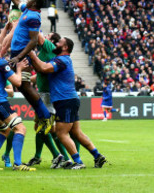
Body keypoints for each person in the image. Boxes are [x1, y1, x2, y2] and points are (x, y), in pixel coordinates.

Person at [28, 38, 108, 169]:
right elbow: (41, 69)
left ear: (65, 47)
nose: (56, 44)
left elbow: (43, 67)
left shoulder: (62, 60)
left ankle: (78, 162)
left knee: (61, 133)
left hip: (64, 101)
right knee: (76, 133)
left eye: (59, 42)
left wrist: (31, 54)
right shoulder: (60, 60)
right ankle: (97, 156)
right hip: (69, 99)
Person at [0, 0, 53, 134]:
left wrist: (20, 57)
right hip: (17, 53)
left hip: (23, 54)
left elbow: (34, 41)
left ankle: (45, 114)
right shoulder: (27, 11)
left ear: (34, 3)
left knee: (25, 85)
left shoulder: (34, 16)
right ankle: (42, 114)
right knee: (21, 85)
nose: (27, 0)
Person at [0, 37, 35, 171]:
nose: (1, 44)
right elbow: (17, 82)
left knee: (5, 130)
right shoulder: (0, 63)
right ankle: (18, 164)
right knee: (20, 128)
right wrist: (20, 68)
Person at [25, 32, 71, 168]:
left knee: (45, 128)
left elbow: (37, 35)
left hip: (47, 94)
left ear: (51, 41)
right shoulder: (44, 52)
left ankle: (61, 157)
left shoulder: (49, 47)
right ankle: (41, 156)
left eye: (48, 35)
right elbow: (39, 74)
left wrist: (29, 15)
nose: (45, 36)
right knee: (42, 127)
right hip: (44, 93)